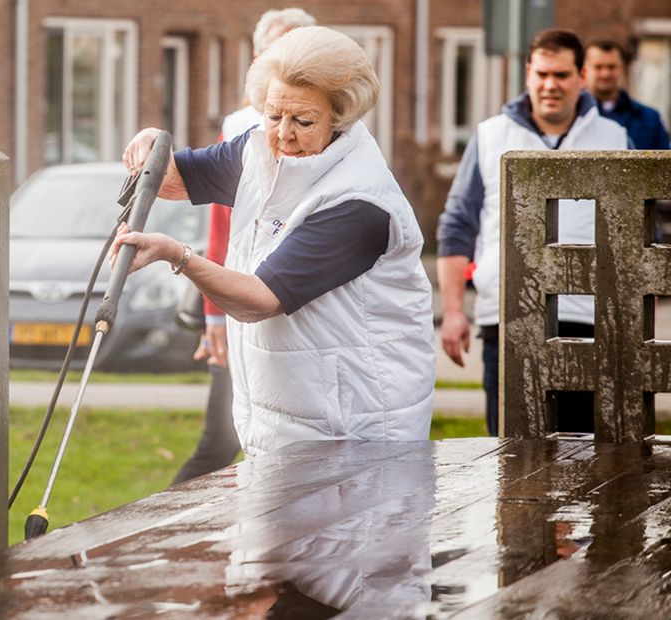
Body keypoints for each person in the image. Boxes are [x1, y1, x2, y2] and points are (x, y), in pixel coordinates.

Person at [119, 26, 435, 455]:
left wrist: (178, 255)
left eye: (303, 121)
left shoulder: (359, 204)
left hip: (353, 428)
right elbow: (175, 178)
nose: (284, 134)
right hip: (286, 420)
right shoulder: (259, 154)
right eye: (272, 115)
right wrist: (152, 144)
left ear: (340, 118)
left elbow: (260, 301)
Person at [437, 30, 629, 437]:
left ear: (580, 76)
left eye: (561, 74)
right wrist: (454, 311)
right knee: (510, 455)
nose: (550, 85)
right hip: (507, 317)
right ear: (528, 73)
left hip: (589, 317)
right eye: (542, 73)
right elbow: (457, 224)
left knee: (588, 456)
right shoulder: (491, 136)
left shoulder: (613, 138)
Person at [173, 7, 316, 484]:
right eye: (277, 52)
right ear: (258, 59)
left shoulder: (332, 125)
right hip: (243, 292)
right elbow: (220, 225)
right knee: (222, 440)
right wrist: (214, 313)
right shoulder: (240, 127)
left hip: (304, 293)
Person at [584, 39, 670, 150]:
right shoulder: (571, 117)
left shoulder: (649, 119)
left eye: (611, 67)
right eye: (598, 67)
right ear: (584, 70)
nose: (605, 74)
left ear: (622, 68)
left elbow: (664, 163)